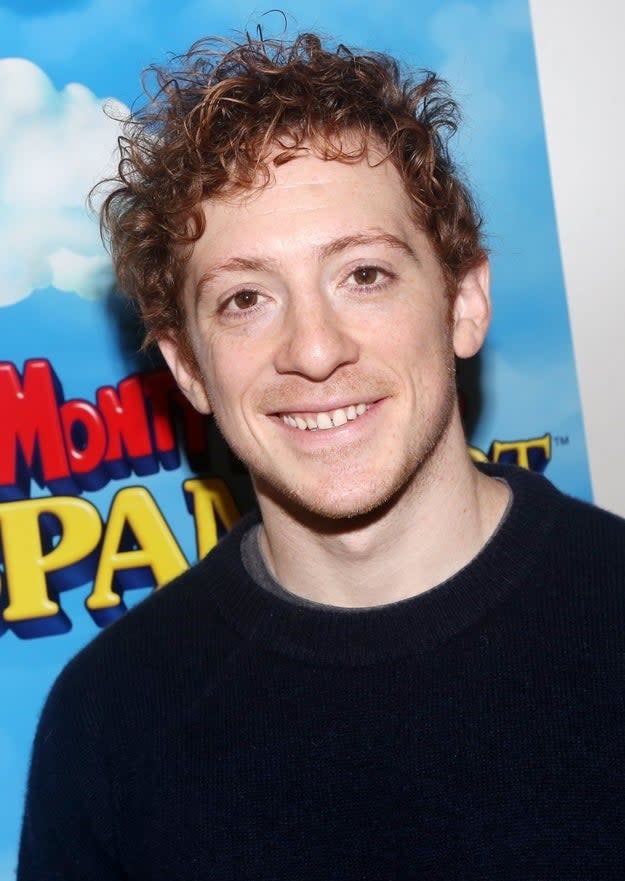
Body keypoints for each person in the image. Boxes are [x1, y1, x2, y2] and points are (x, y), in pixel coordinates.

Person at [18, 32, 625, 881]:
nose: (312, 348)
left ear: (464, 302)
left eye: (364, 275)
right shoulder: (106, 720)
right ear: (188, 368)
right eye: (245, 298)